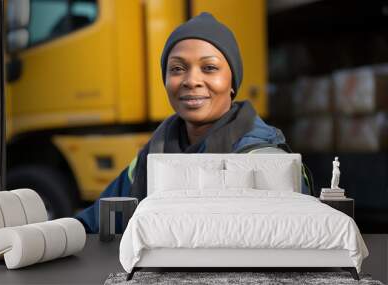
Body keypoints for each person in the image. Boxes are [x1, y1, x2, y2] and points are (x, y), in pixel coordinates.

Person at [76, 12, 310, 233]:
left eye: (209, 68)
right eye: (177, 68)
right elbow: (96, 221)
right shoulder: (152, 154)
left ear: (232, 82)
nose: (192, 80)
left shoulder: (265, 160)